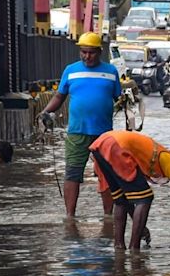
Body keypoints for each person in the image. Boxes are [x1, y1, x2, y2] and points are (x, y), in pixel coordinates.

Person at [40, 31, 122, 218]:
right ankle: (70, 216)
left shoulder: (111, 72)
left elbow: (119, 98)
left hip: (104, 134)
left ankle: (109, 216)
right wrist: (46, 112)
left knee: (107, 175)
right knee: (73, 173)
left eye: (91, 52)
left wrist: (127, 104)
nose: (87, 56)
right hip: (77, 132)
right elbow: (59, 96)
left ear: (99, 52)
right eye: (83, 52)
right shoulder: (71, 70)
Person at [89, 130, 170, 250]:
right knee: (146, 198)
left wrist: (141, 228)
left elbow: (130, 201)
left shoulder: (153, 157)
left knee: (121, 199)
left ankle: (119, 246)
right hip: (117, 145)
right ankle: (134, 248)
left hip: (102, 143)